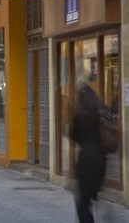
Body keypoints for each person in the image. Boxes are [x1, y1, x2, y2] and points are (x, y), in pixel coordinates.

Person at [70, 82, 107, 223]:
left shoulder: (79, 114)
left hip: (86, 161)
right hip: (101, 161)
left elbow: (73, 135)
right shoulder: (100, 112)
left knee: (82, 203)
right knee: (90, 198)